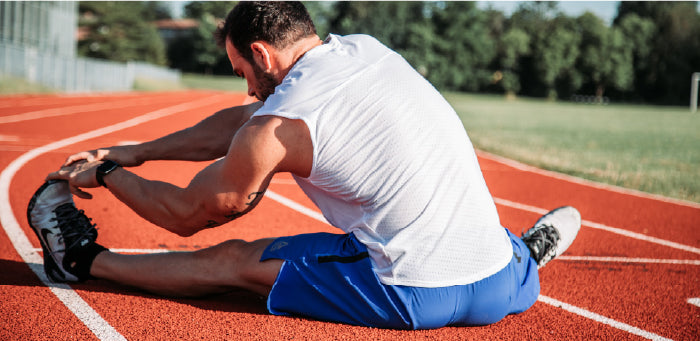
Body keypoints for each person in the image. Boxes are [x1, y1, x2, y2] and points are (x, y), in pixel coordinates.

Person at [28, 1, 581, 329]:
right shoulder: (363, 50)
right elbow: (240, 123)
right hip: (498, 285)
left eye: (241, 68)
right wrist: (138, 151)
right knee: (462, 217)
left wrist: (107, 174)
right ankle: (526, 255)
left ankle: (81, 262)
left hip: (410, 291)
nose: (245, 86)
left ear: (263, 55)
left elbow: (187, 212)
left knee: (231, 262)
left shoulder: (278, 127)